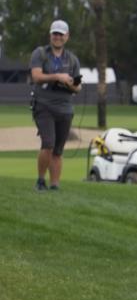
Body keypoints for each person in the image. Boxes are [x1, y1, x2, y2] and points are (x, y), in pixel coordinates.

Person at [30, 19, 82, 192]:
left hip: (65, 108)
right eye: (55, 34)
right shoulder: (40, 54)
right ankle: (40, 181)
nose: (57, 37)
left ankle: (54, 185)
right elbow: (36, 76)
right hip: (43, 105)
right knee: (48, 144)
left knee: (58, 149)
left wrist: (69, 83)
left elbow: (78, 87)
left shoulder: (72, 59)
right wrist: (57, 76)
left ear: (67, 37)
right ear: (50, 35)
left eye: (61, 34)